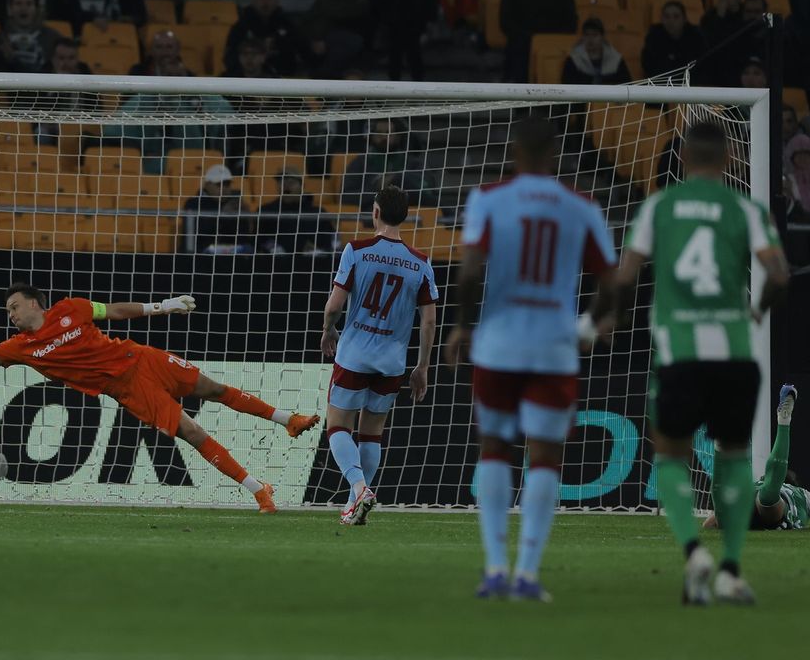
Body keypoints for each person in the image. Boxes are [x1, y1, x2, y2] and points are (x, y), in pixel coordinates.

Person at [0, 284, 319, 512]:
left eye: (14, 307)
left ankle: (289, 420)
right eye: (8, 311)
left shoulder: (72, 308)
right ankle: (258, 489)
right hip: (128, 389)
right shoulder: (18, 347)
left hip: (141, 357)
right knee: (190, 431)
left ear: (35, 303)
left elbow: (114, 311)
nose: (11, 314)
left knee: (214, 389)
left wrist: (163, 306)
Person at [611, 120, 790, 605]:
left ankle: (694, 552)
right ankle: (731, 568)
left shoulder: (659, 207)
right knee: (733, 457)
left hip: (681, 353)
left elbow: (625, 274)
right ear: (729, 159)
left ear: (683, 159)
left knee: (670, 453)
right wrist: (754, 313)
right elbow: (778, 272)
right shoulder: (746, 209)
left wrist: (610, 322)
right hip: (734, 353)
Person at [443, 116, 618, 602]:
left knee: (495, 448)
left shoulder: (488, 198)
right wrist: (586, 327)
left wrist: (461, 324)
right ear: (556, 153)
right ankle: (528, 575)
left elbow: (470, 271)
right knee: (545, 458)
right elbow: (613, 281)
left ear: (514, 152)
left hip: (498, 344)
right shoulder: (580, 206)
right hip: (553, 346)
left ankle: (495, 568)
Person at [320, 185, 437, 524]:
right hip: (392, 362)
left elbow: (334, 306)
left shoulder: (356, 250)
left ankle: (358, 489)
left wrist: (329, 329)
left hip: (355, 354)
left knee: (338, 426)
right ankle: (356, 505)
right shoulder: (421, 263)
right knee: (371, 433)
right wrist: (423, 366)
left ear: (375, 212)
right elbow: (429, 321)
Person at [703, 386, 810, 531]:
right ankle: (784, 421)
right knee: (769, 499)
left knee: (723, 514)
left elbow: (709, 524)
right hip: (770, 508)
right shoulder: (803, 494)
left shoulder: (756, 484)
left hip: (743, 502)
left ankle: (720, 448)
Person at [225, 0, 313, 78]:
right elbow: (230, 56)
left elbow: (303, 53)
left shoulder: (288, 25)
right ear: (253, 0)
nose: (265, 2)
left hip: (282, 78)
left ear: (277, 1)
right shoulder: (241, 26)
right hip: (246, 78)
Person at [257, 169, 333, 253]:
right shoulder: (266, 211)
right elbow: (258, 240)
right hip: (274, 262)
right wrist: (272, 247)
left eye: (291, 182)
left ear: (302, 186)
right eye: (281, 182)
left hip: (312, 262)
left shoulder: (318, 213)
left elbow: (329, 243)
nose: (285, 186)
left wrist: (317, 251)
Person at [341, 118, 413, 208]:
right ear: (371, 136)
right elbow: (346, 197)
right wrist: (377, 188)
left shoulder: (410, 163)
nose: (383, 137)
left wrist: (396, 179)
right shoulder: (360, 163)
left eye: (388, 132)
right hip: (371, 213)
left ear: (398, 137)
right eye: (379, 132)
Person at [183, 164, 249, 252]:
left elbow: (243, 236)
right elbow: (198, 232)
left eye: (227, 184)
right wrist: (223, 214)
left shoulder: (234, 203)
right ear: (207, 185)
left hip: (230, 252)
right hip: (201, 252)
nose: (224, 188)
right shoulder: (193, 203)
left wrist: (245, 216)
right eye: (219, 184)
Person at [641, 0, 706, 77]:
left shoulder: (696, 38)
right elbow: (649, 66)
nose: (671, 21)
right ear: (661, 19)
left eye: (676, 16)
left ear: (685, 19)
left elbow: (700, 67)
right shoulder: (653, 37)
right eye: (667, 16)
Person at [0, 0, 59, 72]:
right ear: (10, 9)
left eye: (29, 4)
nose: (23, 8)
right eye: (18, 3)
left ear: (36, 9)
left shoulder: (54, 39)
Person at [562, 18, 633, 85]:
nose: (590, 39)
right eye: (587, 35)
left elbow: (627, 86)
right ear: (582, 37)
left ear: (602, 37)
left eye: (594, 35)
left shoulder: (616, 60)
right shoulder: (572, 60)